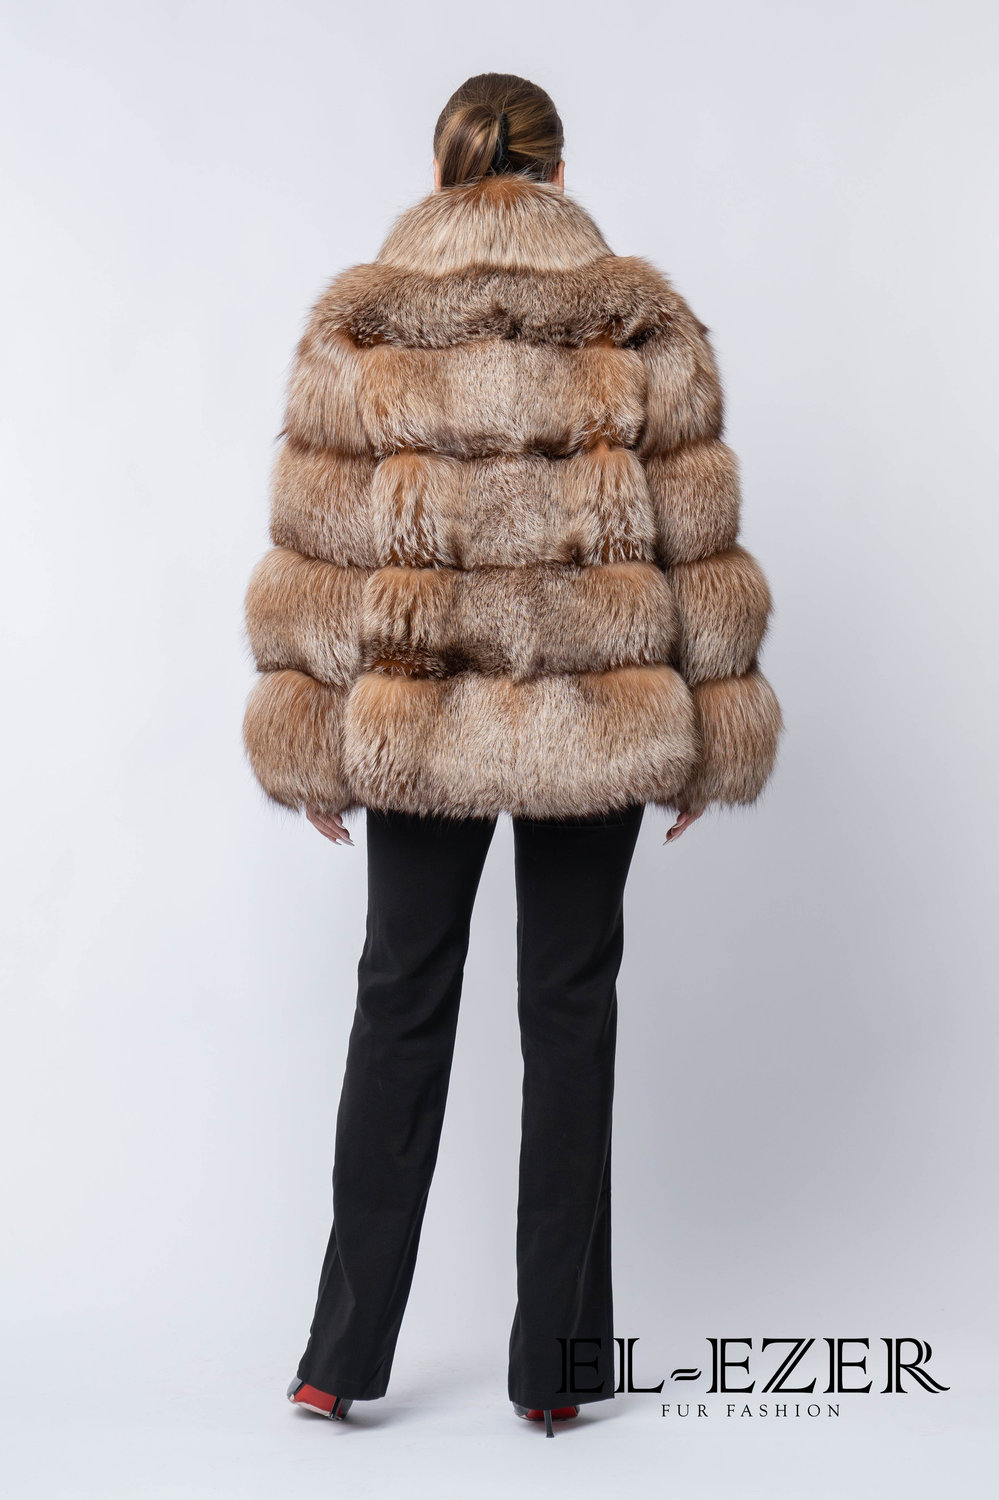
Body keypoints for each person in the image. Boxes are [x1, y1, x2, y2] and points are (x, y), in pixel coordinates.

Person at [242, 71, 782, 1437]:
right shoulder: (634, 315)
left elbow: (318, 538)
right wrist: (713, 732)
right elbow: (695, 530)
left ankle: (338, 1357)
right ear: (557, 169)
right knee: (571, 1008)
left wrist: (307, 739)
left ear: (441, 166)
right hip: (597, 710)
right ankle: (558, 1375)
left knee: (399, 999)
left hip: (418, 720)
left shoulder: (364, 321)